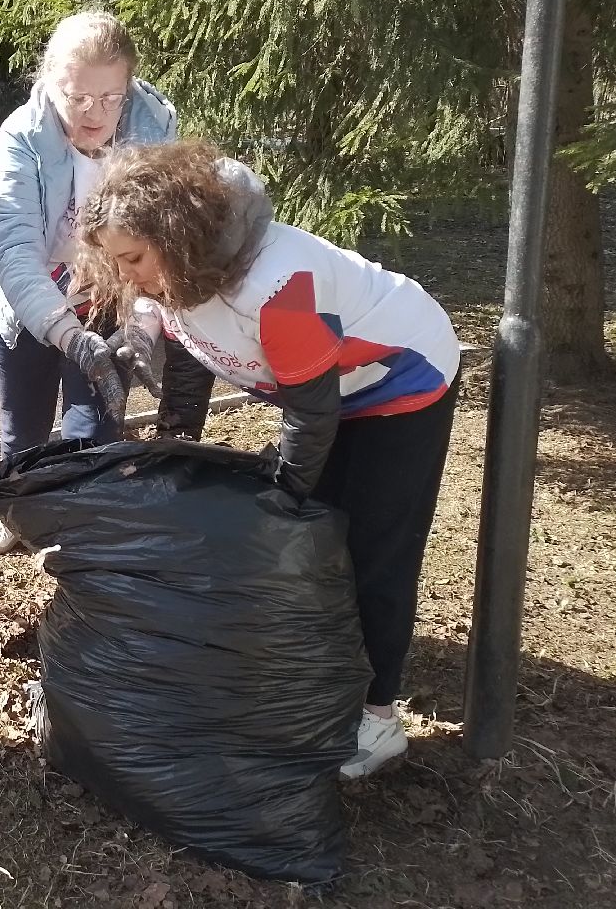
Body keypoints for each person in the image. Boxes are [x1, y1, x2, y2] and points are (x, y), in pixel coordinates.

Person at [78, 139, 461, 778]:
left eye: (134, 258)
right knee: (315, 543)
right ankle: (321, 672)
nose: (128, 276)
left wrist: (283, 495)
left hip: (400, 382)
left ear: (177, 233)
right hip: (327, 394)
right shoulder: (176, 271)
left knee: (370, 550)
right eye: (116, 260)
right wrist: (174, 454)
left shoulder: (278, 284)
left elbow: (311, 417)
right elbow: (189, 364)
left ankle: (377, 717)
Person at [0, 10, 179, 553]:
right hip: (25, 297)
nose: (94, 114)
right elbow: (13, 251)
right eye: (78, 98)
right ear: (49, 82)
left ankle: (80, 527)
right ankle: (18, 515)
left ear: (128, 87)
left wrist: (144, 322)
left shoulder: (152, 128)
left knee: (97, 425)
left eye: (110, 98)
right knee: (25, 426)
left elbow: (162, 246)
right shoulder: (19, 139)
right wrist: (67, 335)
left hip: (109, 292)